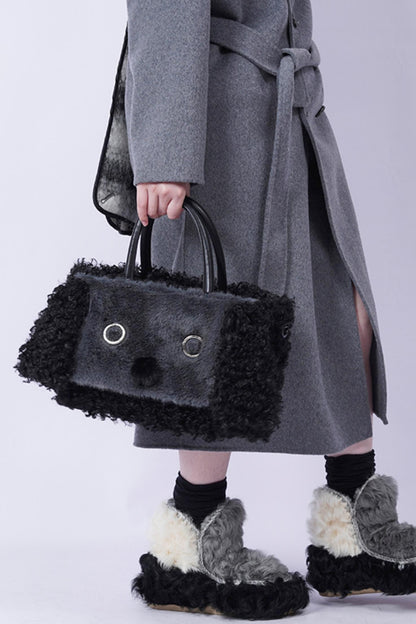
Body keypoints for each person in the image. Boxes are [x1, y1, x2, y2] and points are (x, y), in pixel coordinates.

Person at [93, 1, 416, 619]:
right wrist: (165, 153)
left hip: (288, 110)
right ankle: (191, 538)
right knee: (208, 330)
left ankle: (353, 530)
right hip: (218, 128)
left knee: (342, 308)